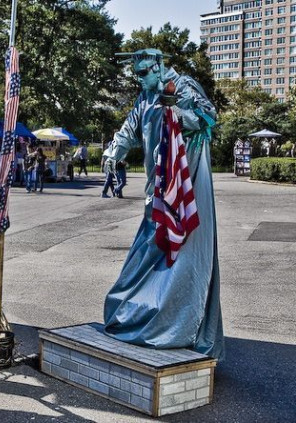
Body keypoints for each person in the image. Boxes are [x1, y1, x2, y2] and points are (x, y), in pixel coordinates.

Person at [102, 49, 224, 360]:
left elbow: (210, 116)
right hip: (155, 188)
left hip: (185, 187)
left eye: (144, 72)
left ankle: (178, 325)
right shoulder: (143, 98)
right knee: (147, 249)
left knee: (182, 253)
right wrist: (113, 152)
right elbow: (130, 129)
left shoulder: (182, 86)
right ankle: (137, 312)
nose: (139, 78)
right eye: (137, 74)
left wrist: (178, 116)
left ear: (158, 66)